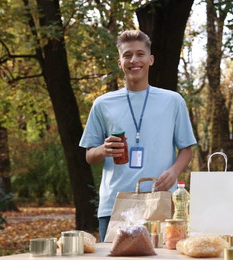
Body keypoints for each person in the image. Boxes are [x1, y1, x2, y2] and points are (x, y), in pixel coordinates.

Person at [79, 30, 197, 242]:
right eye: (127, 55)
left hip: (160, 202)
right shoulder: (102, 104)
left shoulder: (173, 101)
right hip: (114, 205)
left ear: (150, 59)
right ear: (120, 62)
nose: (134, 60)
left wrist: (174, 171)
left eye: (140, 54)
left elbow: (186, 149)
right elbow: (89, 156)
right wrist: (102, 150)